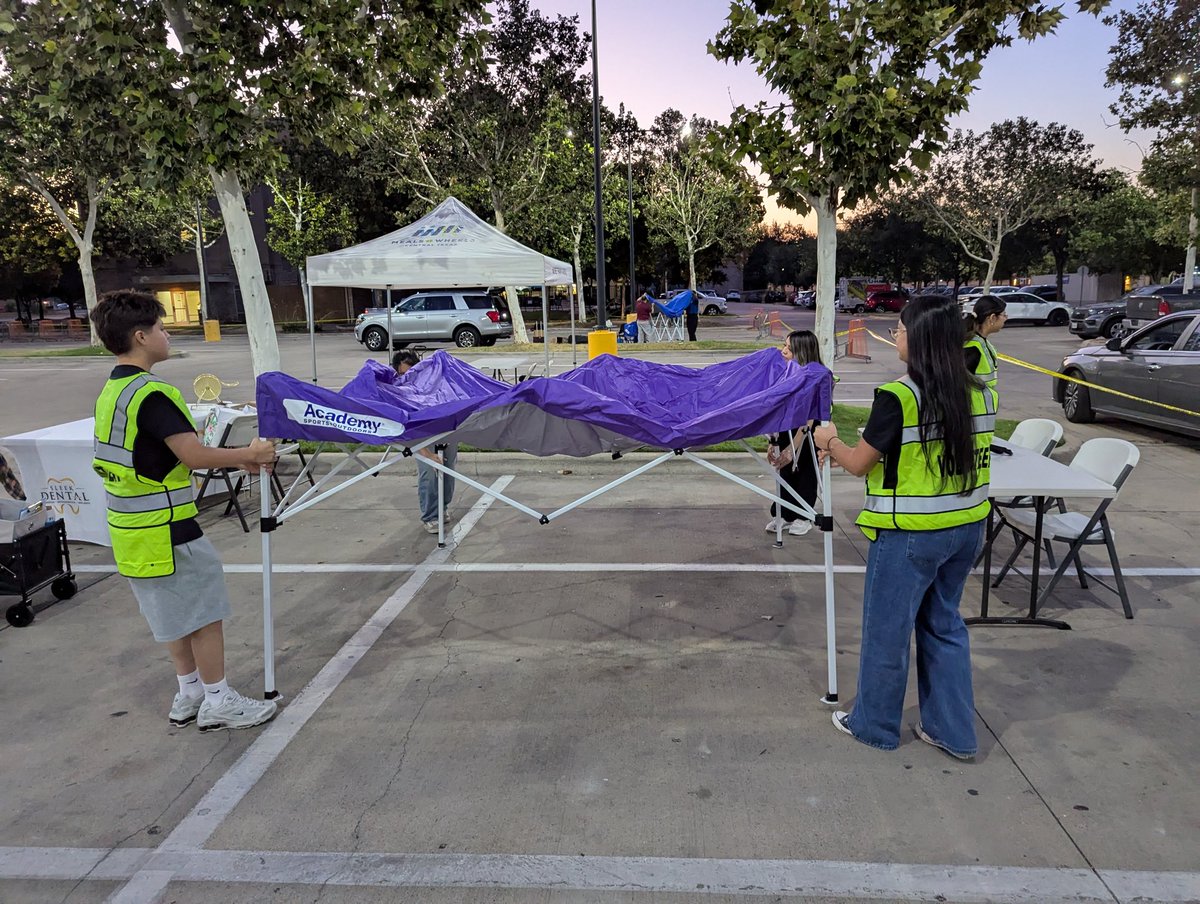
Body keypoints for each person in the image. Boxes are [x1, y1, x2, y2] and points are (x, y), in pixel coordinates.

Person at [813, 294, 996, 760]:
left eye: (899, 328)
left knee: (886, 633)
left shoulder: (900, 396)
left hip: (910, 535)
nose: (894, 335)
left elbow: (857, 464)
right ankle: (953, 732)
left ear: (919, 338)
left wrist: (829, 441)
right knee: (945, 628)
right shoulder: (983, 391)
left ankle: (873, 724)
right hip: (967, 527)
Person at [89, 290, 279, 732]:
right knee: (204, 615)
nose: (167, 333)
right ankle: (218, 701)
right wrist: (248, 452)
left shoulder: (111, 392)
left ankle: (190, 691)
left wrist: (238, 459)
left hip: (130, 530)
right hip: (170, 530)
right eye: (160, 327)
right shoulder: (153, 393)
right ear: (140, 336)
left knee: (172, 615)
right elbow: (192, 455)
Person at [765, 330, 822, 537]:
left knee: (805, 470)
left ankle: (804, 515)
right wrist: (773, 441)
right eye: (784, 346)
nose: (784, 351)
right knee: (785, 471)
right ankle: (785, 513)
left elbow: (810, 418)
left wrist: (793, 447)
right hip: (785, 428)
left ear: (803, 351)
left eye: (789, 348)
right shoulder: (786, 373)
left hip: (806, 432)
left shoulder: (817, 376)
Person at [393, 350, 457, 533]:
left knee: (448, 469)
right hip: (421, 433)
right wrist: (426, 453)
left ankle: (442, 508)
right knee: (428, 472)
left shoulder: (433, 383)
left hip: (443, 428)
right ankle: (430, 515)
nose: (408, 379)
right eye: (404, 375)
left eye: (412, 373)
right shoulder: (399, 392)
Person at [962, 295, 1006, 394]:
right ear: (992, 318)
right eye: (1004, 315)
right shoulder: (972, 348)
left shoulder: (982, 343)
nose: (1005, 319)